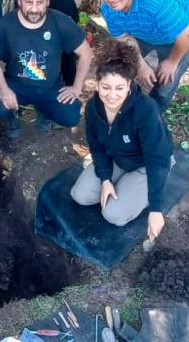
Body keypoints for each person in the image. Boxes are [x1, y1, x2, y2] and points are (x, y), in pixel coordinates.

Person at [71, 40, 174, 240]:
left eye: (119, 88)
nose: (112, 96)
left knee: (113, 215)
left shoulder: (145, 110)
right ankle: (121, 183)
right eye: (105, 87)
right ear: (97, 84)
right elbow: (96, 146)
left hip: (145, 164)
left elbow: (157, 159)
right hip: (117, 157)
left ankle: (144, 187)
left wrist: (156, 209)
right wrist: (105, 179)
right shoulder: (93, 108)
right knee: (80, 195)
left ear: (129, 85)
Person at [0, 0, 92, 139]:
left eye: (40, 2)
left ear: (48, 1)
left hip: (50, 87)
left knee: (71, 116)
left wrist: (77, 87)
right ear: (19, 0)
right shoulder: (3, 27)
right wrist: (4, 90)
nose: (34, 9)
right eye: (29, 2)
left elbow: (86, 53)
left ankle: (45, 112)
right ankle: (11, 117)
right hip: (16, 85)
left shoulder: (61, 22)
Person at [94, 0, 189, 111]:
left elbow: (186, 33)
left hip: (181, 31)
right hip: (145, 28)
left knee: (165, 83)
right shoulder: (107, 8)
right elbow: (125, 38)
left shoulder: (156, 2)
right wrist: (140, 65)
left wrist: (172, 62)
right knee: (119, 65)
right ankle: (119, 108)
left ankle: (152, 115)